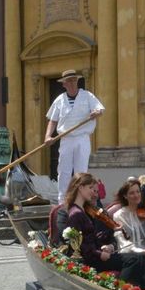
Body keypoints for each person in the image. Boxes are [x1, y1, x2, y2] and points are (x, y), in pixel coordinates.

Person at [63, 173, 145, 290]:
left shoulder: (83, 210)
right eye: (91, 188)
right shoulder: (76, 213)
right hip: (92, 259)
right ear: (80, 187)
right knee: (134, 259)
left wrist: (107, 247)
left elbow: (90, 239)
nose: (94, 193)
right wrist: (100, 253)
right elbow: (80, 247)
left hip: (97, 254)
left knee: (141, 257)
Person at [45, 69, 105, 202]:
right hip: (66, 138)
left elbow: (99, 109)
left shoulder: (88, 96)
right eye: (69, 81)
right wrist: (48, 136)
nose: (72, 83)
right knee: (64, 170)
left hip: (82, 138)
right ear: (64, 84)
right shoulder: (60, 100)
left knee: (81, 171)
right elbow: (52, 120)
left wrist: (96, 113)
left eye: (74, 80)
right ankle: (62, 201)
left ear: (77, 81)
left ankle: (81, 199)